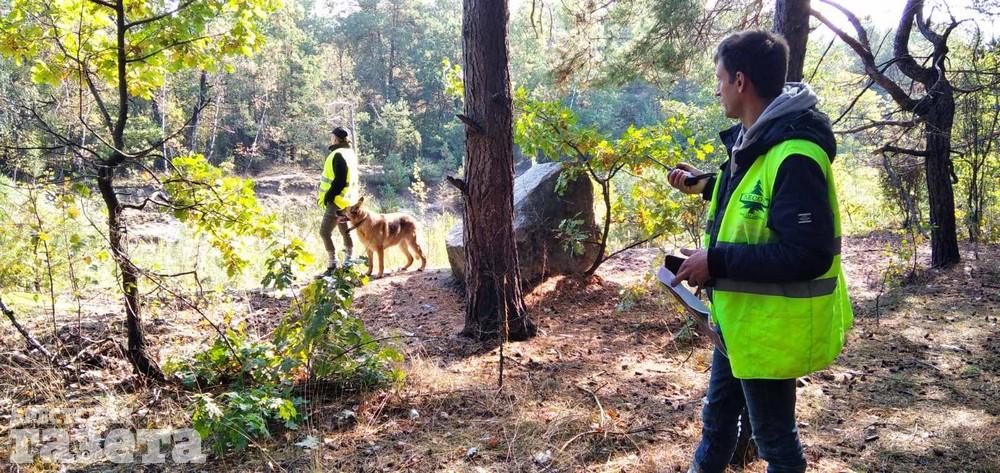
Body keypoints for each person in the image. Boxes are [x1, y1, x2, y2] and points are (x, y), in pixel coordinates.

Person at [667, 30, 853, 473]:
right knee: (716, 424)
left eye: (719, 78)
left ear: (740, 81)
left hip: (771, 331)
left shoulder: (796, 154)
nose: (716, 88)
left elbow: (807, 254)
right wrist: (706, 183)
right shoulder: (758, 141)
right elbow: (754, 205)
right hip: (741, 321)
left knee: (775, 443)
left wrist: (716, 261)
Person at [317, 126, 359, 277]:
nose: (331, 139)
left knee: (324, 232)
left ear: (335, 138)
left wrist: (329, 195)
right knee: (344, 230)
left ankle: (332, 265)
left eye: (332, 136)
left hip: (336, 201)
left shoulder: (337, 154)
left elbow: (340, 180)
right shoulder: (349, 153)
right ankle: (348, 263)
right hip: (348, 200)